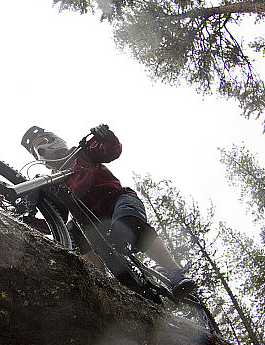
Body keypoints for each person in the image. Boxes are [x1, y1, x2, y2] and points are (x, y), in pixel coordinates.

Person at [21, 124, 197, 299]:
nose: (42, 148)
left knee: (129, 222)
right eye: (38, 148)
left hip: (117, 201)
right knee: (73, 230)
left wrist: (104, 136)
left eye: (43, 141)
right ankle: (102, 287)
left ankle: (175, 273)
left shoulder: (83, 152)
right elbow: (56, 221)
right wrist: (30, 221)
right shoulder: (54, 183)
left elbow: (111, 151)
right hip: (92, 220)